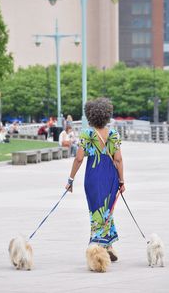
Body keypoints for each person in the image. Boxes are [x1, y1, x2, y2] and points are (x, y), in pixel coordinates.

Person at [65, 98, 125, 261]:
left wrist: (70, 179)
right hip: (110, 177)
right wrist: (121, 181)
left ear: (90, 115)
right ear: (107, 115)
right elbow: (118, 159)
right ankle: (108, 245)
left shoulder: (86, 134)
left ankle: (100, 246)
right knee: (107, 210)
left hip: (92, 176)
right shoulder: (113, 134)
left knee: (97, 211)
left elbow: (78, 159)